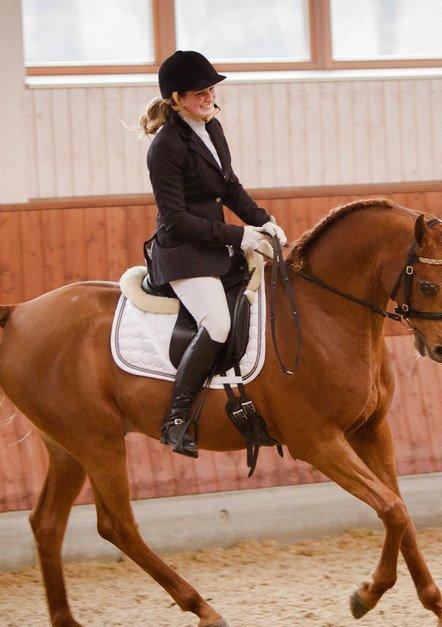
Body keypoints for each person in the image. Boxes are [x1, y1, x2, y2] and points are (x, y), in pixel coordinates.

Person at [137, 50, 287, 458]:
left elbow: (230, 187)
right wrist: (240, 236)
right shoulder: (165, 148)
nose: (209, 97)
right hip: (183, 252)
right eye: (200, 92)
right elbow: (175, 220)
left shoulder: (212, 128)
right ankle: (177, 417)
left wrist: (263, 220)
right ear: (176, 98)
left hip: (215, 246)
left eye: (211, 89)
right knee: (217, 323)